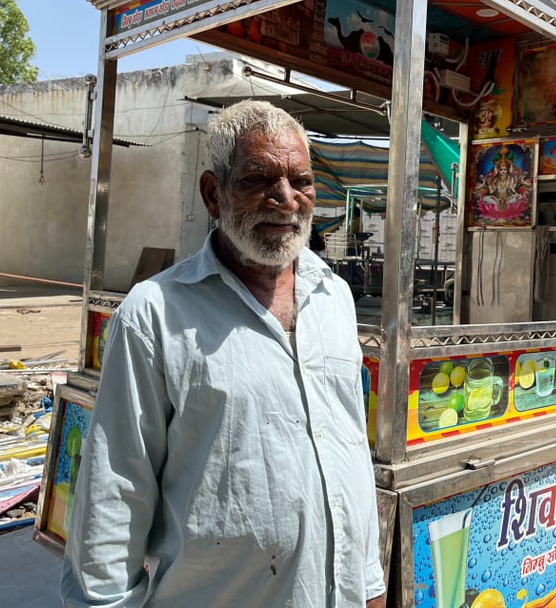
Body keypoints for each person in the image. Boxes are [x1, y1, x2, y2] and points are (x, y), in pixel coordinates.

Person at [61, 100, 387, 608]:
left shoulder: (334, 298)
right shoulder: (154, 314)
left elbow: (348, 451)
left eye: (300, 181)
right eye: (258, 179)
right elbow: (115, 491)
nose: (285, 198)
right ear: (214, 194)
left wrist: (367, 584)